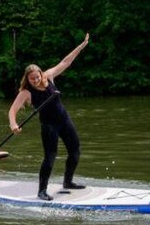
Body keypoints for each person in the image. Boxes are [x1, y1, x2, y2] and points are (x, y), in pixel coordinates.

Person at [7, 33, 90, 201]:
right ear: (27, 79)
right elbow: (12, 111)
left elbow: (66, 61)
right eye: (32, 79)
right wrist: (13, 124)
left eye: (37, 77)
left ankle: (68, 182)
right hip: (49, 126)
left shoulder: (49, 76)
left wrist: (81, 47)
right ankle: (42, 191)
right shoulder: (26, 92)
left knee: (75, 152)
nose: (36, 80)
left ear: (41, 74)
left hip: (64, 121)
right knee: (50, 158)